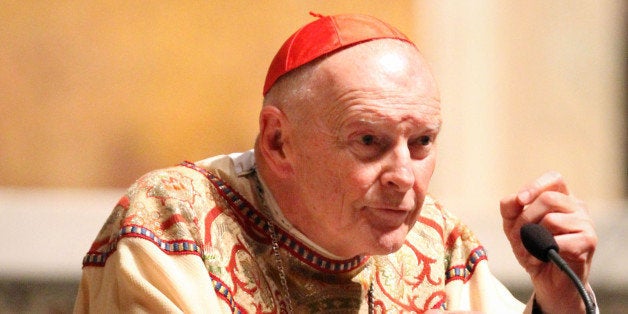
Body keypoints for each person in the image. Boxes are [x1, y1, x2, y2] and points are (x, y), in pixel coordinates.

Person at [74, 13, 597, 313]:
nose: (403, 176)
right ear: (279, 142)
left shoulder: (436, 244)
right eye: (369, 141)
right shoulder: (175, 218)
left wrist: (559, 302)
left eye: (422, 143)